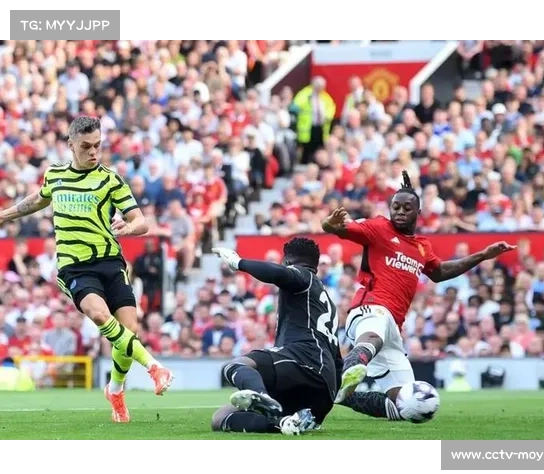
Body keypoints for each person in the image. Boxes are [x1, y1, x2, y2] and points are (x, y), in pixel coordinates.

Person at [0, 116, 173, 423]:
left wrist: (130, 228)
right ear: (71, 145)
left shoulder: (111, 180)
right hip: (75, 266)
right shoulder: (55, 175)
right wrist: (4, 215)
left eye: (97, 145)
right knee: (100, 315)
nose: (93, 152)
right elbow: (37, 200)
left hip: (110, 261)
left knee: (129, 330)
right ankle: (154, 367)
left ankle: (115, 390)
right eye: (86, 147)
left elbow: (141, 221)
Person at [321, 170, 516, 421]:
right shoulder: (378, 227)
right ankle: (352, 366)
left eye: (406, 208)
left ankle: (338, 393)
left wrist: (482, 255)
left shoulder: (422, 246)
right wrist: (329, 223)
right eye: (396, 207)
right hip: (370, 307)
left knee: (405, 404)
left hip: (394, 327)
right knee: (375, 332)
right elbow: (335, 228)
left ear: (418, 212)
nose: (400, 212)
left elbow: (440, 272)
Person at [211, 237, 342, 435]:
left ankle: (261, 397)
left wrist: (238, 263)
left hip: (302, 361)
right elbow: (338, 362)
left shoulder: (304, 277)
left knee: (234, 366)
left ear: (287, 262)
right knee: (220, 417)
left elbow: (280, 273)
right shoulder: (326, 303)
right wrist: (325, 404)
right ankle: (284, 423)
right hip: (322, 392)